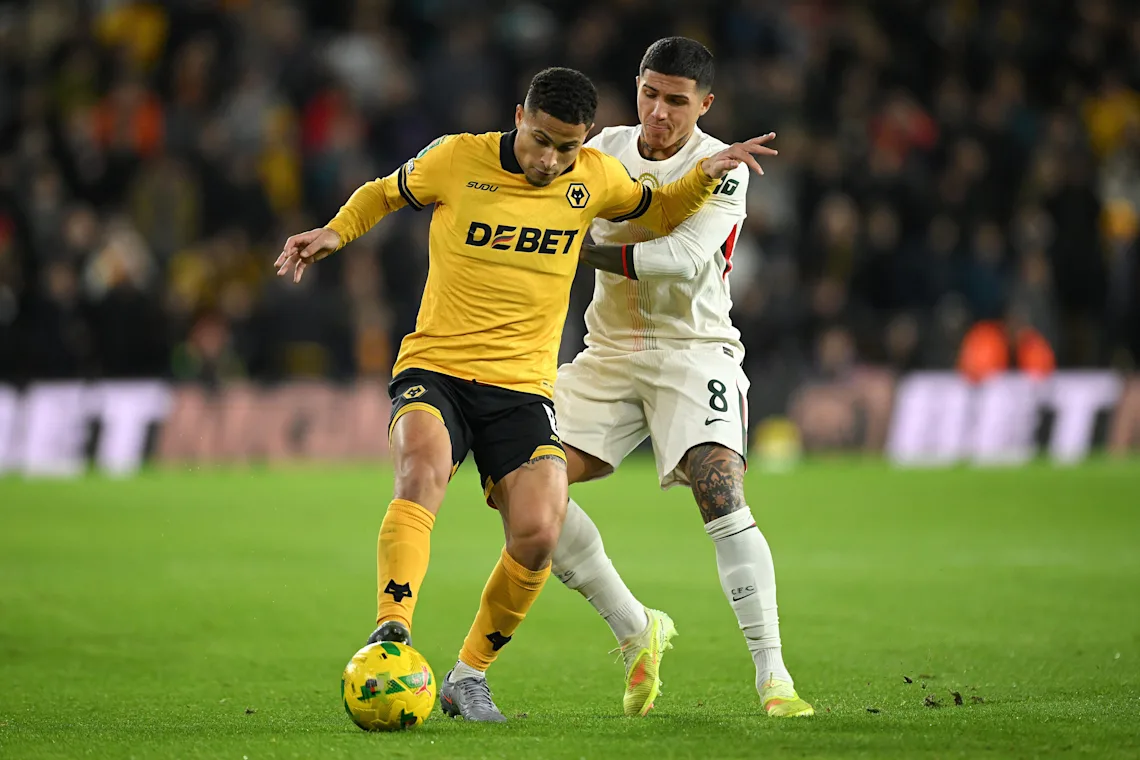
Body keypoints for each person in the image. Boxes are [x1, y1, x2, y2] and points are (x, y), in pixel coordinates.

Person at [274, 66, 777, 723]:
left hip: (522, 386)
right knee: (422, 468)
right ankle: (392, 629)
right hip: (438, 367)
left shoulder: (595, 175)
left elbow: (657, 211)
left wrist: (704, 175)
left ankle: (468, 678)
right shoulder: (458, 158)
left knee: (539, 529)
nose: (551, 161)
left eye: (568, 147)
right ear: (519, 117)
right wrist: (335, 232)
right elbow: (385, 192)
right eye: (541, 141)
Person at [504, 38, 814, 718]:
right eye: (650, 93)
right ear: (637, 87)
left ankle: (774, 678)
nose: (660, 111)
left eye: (677, 100)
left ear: (705, 105)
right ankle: (636, 628)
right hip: (607, 351)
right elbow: (533, 189)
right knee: (520, 486)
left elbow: (681, 257)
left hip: (692, 350)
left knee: (718, 489)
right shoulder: (601, 149)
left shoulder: (723, 166)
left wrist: (576, 246)